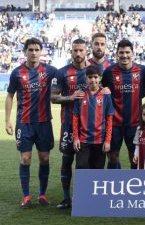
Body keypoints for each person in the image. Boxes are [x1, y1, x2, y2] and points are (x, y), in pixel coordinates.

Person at [5, 38, 57, 208]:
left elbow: (65, 76)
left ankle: (42, 194)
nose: (33, 52)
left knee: (44, 158)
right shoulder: (17, 73)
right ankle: (26, 196)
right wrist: (7, 121)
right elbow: (10, 95)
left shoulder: (50, 71)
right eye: (30, 49)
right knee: (25, 158)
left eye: (36, 49)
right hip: (24, 123)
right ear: (25, 52)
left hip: (44, 123)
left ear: (41, 52)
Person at [51, 38, 88, 209]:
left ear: (86, 51)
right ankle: (66, 198)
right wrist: (70, 97)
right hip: (68, 124)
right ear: (71, 51)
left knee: (84, 162)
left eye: (81, 50)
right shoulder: (62, 72)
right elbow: (53, 97)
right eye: (75, 50)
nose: (78, 53)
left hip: (89, 126)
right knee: (67, 160)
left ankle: (82, 197)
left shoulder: (94, 72)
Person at [102, 39, 145, 169]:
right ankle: (115, 182)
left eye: (127, 52)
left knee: (134, 155)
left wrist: (139, 95)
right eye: (121, 52)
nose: (124, 55)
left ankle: (133, 183)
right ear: (117, 54)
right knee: (112, 155)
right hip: (114, 123)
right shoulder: (109, 72)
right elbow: (102, 91)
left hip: (135, 122)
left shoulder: (142, 70)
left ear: (133, 53)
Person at [72, 65, 114, 169]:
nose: (93, 80)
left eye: (95, 77)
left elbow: (109, 119)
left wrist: (108, 141)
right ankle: (83, 186)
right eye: (90, 77)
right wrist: (76, 138)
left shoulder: (106, 95)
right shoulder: (81, 95)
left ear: (100, 78)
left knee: (97, 170)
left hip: (100, 140)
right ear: (86, 78)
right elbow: (75, 118)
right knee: (81, 167)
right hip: (83, 140)